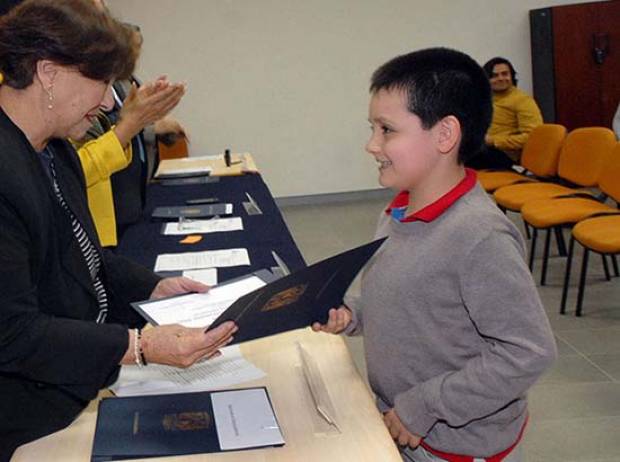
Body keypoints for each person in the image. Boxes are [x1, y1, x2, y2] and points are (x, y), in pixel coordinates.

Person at [0, 1, 236, 459]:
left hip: (79, 379)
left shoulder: (55, 150)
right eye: (103, 82)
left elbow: (84, 255)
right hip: (30, 420)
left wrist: (154, 285)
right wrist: (139, 346)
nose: (110, 103)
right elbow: (12, 334)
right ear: (48, 72)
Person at [313, 48, 556, 462]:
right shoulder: (398, 211)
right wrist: (353, 314)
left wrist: (425, 405)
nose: (371, 145)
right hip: (404, 420)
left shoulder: (480, 236)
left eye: (386, 129)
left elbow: (527, 351)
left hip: (452, 444)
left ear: (445, 135)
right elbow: (408, 298)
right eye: (372, 128)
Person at [466, 57, 543, 170]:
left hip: (504, 154)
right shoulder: (485, 99)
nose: (501, 78)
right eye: (495, 75)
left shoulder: (522, 100)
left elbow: (533, 136)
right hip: (484, 149)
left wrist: (493, 141)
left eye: (505, 74)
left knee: (456, 156)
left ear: (511, 76)